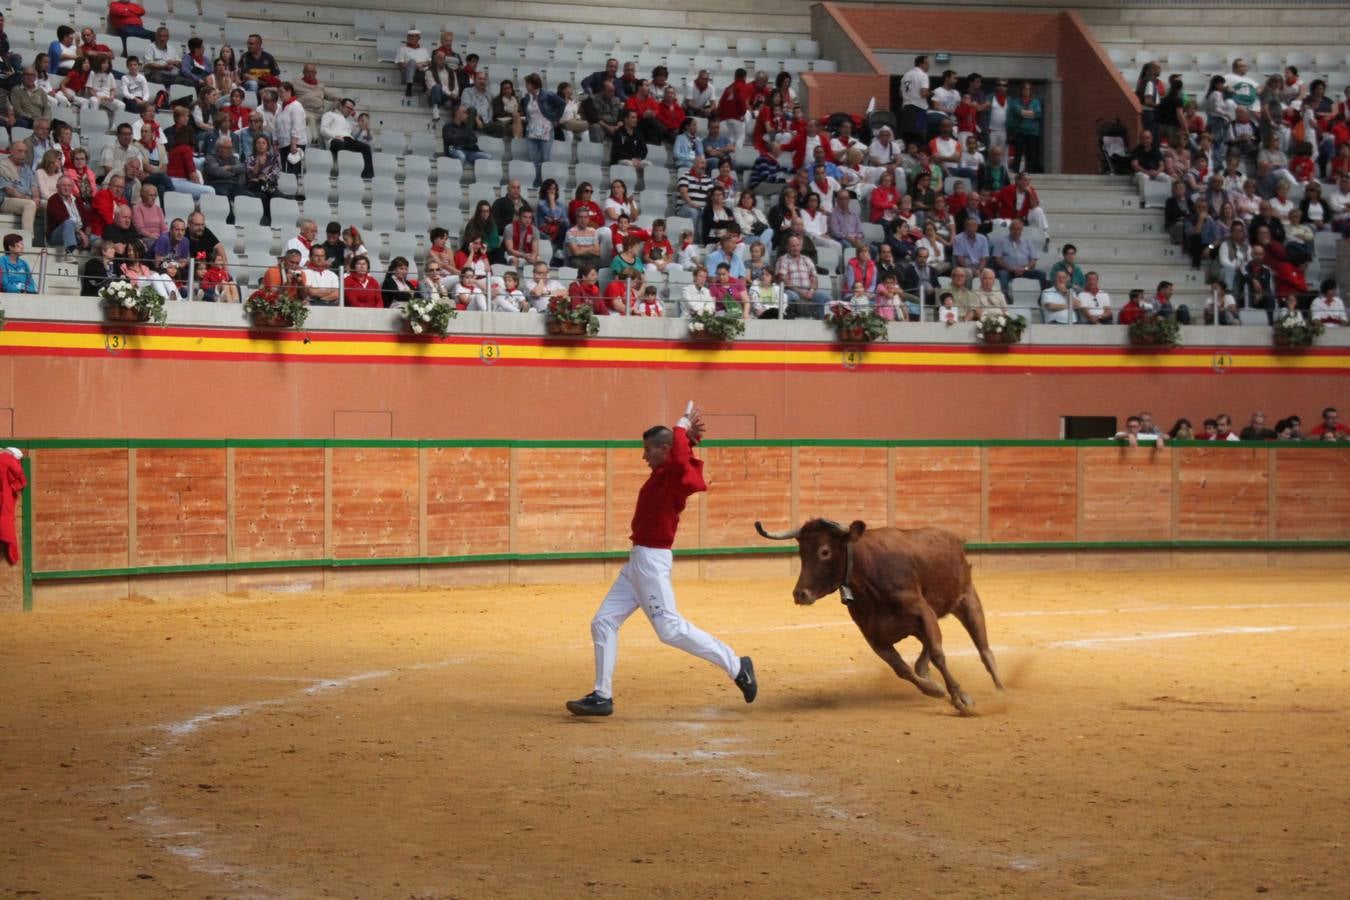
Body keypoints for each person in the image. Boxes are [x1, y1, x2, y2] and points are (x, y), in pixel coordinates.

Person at [566, 406, 756, 717]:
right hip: (638, 560)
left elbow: (680, 459)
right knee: (603, 621)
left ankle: (737, 667)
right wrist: (687, 440)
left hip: (651, 562)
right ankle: (602, 695)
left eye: (648, 450)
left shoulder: (673, 475)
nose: (644, 456)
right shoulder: (666, 474)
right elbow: (680, 458)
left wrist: (681, 427)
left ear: (664, 448)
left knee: (669, 628)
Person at [320, 97, 374, 179]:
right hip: (335, 140)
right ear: (341, 106)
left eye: (351, 109)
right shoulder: (329, 115)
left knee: (366, 147)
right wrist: (335, 136)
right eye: (347, 107)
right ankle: (345, 174)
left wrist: (353, 114)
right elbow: (323, 130)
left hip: (349, 141)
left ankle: (367, 177)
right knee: (340, 144)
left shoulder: (349, 123)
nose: (349, 110)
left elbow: (363, 122)